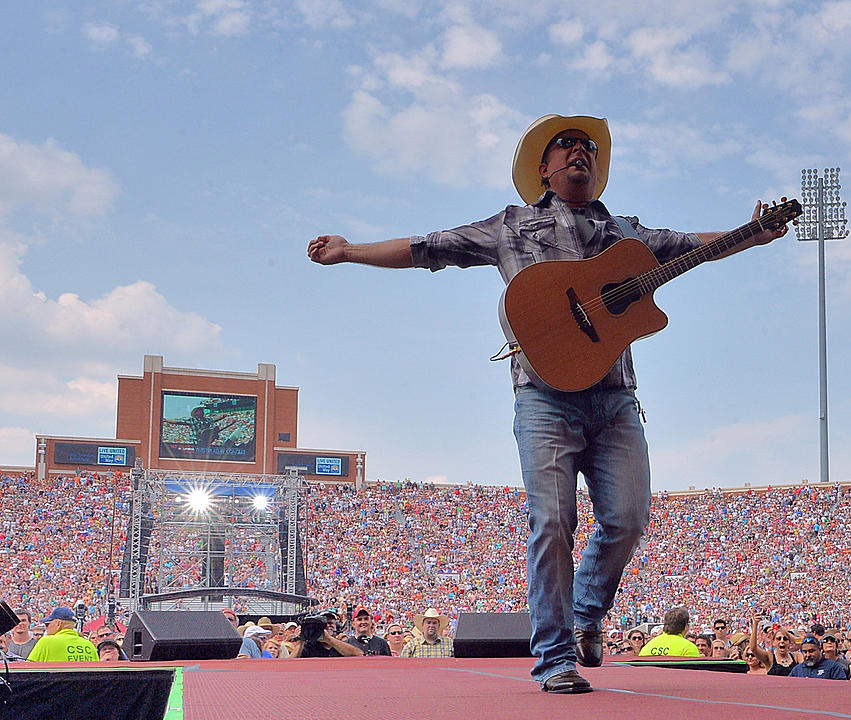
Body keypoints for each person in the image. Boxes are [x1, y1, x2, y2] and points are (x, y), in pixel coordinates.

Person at [307, 113, 788, 694]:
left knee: (629, 519)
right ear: (544, 168)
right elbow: (425, 247)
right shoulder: (509, 226)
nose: (579, 151)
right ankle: (555, 656)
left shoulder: (628, 234)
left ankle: (587, 611)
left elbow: (693, 246)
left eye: (588, 147)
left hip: (614, 396)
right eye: (566, 145)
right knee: (552, 522)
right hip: (543, 398)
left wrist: (750, 232)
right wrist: (350, 250)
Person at [26, 607, 98, 662]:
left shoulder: (46, 642)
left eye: (47, 624)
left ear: (58, 624)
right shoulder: (89, 645)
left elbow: (27, 670)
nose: (46, 628)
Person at [292, 614, 364, 658]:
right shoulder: (309, 646)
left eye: (330, 623)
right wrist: (300, 643)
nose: (328, 626)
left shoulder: (346, 642)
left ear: (337, 627)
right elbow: (288, 665)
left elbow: (360, 655)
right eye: (324, 625)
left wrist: (329, 640)